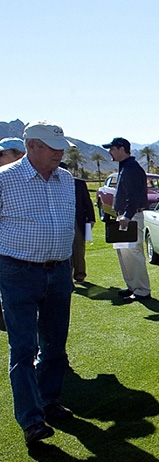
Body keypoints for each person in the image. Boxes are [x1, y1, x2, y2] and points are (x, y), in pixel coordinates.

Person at [0, 122, 76, 445]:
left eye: (61, 147)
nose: (59, 152)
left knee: (55, 345)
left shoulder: (67, 179)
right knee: (23, 348)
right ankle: (32, 421)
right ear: (31, 146)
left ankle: (48, 400)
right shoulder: (5, 180)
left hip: (59, 272)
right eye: (50, 146)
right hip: (17, 273)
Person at [103, 137, 151, 302]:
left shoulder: (132, 169)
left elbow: (134, 196)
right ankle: (132, 286)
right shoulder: (125, 167)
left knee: (133, 254)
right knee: (124, 254)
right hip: (125, 217)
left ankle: (142, 290)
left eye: (112, 148)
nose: (110, 152)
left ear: (121, 148)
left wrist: (127, 216)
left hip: (130, 218)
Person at [72, 174, 96, 283]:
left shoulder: (78, 183)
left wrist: (91, 219)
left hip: (77, 220)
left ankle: (79, 275)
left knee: (78, 249)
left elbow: (87, 202)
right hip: (59, 220)